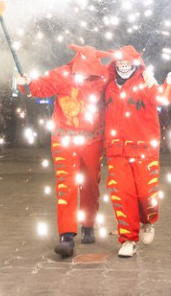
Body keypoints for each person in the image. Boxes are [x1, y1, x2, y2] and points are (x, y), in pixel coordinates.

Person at [15, 44, 110, 259]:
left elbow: (123, 85)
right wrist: (26, 83)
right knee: (65, 184)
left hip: (93, 139)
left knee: (91, 184)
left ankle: (88, 224)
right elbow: (39, 87)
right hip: (64, 138)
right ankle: (66, 235)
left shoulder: (105, 77)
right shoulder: (62, 73)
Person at [101, 45, 171, 258]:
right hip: (117, 151)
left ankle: (148, 220)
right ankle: (128, 238)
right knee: (121, 194)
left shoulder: (145, 83)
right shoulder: (108, 87)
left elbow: (162, 98)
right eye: (120, 63)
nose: (123, 67)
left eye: (127, 63)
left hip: (144, 149)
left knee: (146, 193)